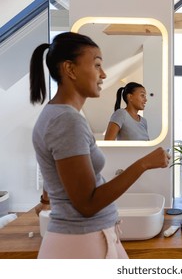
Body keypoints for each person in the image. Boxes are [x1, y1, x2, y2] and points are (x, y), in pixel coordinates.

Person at [30, 32, 170, 259]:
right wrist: (144, 163)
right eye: (96, 65)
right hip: (81, 243)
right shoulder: (67, 120)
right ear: (70, 69)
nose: (104, 74)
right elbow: (87, 203)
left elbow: (58, 170)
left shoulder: (56, 115)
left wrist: (46, 199)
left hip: (85, 237)